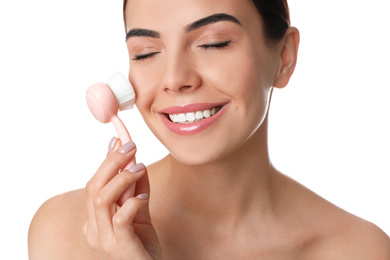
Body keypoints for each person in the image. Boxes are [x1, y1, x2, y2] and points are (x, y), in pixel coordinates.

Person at [28, 0, 390, 259]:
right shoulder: (67, 231)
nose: (175, 79)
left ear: (283, 58)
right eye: (145, 52)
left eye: (213, 43)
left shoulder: (360, 250)